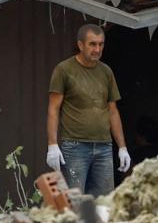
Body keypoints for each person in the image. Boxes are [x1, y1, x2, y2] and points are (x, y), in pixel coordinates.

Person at [46, 23, 131, 195]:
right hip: (75, 146)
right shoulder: (64, 69)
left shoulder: (106, 72)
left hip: (104, 147)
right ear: (80, 44)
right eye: (92, 44)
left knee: (104, 203)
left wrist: (122, 147)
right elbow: (53, 109)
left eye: (101, 44)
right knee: (75, 203)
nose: (97, 49)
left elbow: (113, 111)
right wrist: (52, 145)